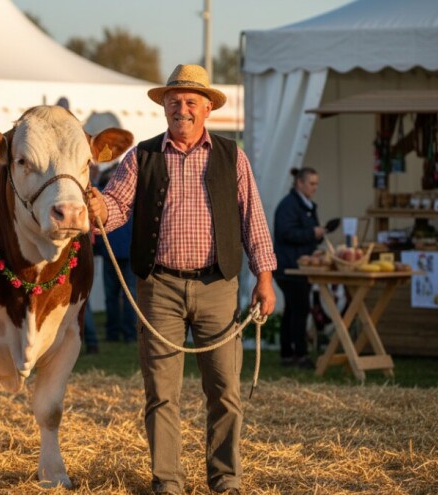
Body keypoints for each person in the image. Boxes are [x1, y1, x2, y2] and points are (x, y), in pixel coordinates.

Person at [87, 64, 276, 495]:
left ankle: (225, 480)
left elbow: (254, 221)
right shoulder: (141, 156)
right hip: (159, 288)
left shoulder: (233, 156)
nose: (182, 109)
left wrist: (264, 279)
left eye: (191, 101)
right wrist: (98, 207)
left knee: (225, 391)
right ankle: (167, 482)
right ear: (164, 107)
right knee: (160, 392)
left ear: (207, 108)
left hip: (218, 287)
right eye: (174, 101)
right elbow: (116, 207)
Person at [273, 167, 324, 369]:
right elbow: (286, 233)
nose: (315, 188)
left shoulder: (305, 205)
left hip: (296, 265)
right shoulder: (290, 205)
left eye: (316, 184)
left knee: (292, 310)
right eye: (311, 183)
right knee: (299, 310)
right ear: (299, 183)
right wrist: (312, 233)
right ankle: (300, 355)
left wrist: (315, 238)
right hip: (289, 267)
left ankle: (288, 354)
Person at [93, 163, 138, 344]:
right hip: (128, 251)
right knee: (129, 295)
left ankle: (113, 332)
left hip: (109, 251)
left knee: (111, 295)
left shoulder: (102, 196)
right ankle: (129, 334)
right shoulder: (132, 197)